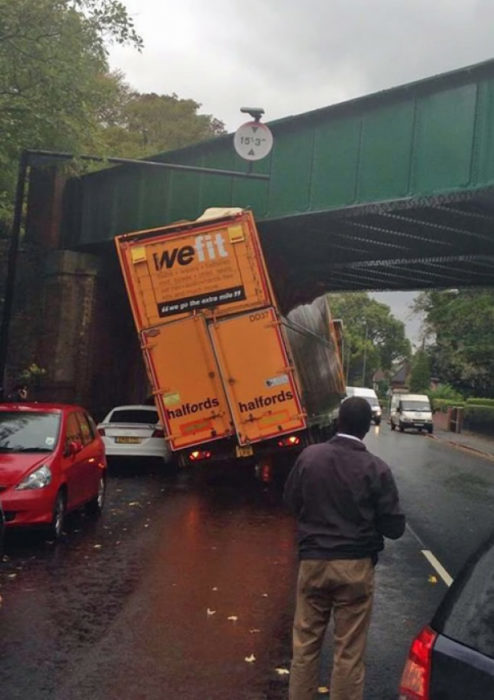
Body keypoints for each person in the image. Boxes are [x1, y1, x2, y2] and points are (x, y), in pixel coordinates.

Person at [283, 396, 405, 700]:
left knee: (305, 648)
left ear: (338, 422)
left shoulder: (309, 457)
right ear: (367, 428)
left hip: (313, 563)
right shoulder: (376, 469)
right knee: (349, 652)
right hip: (355, 568)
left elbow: (290, 501)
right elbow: (395, 527)